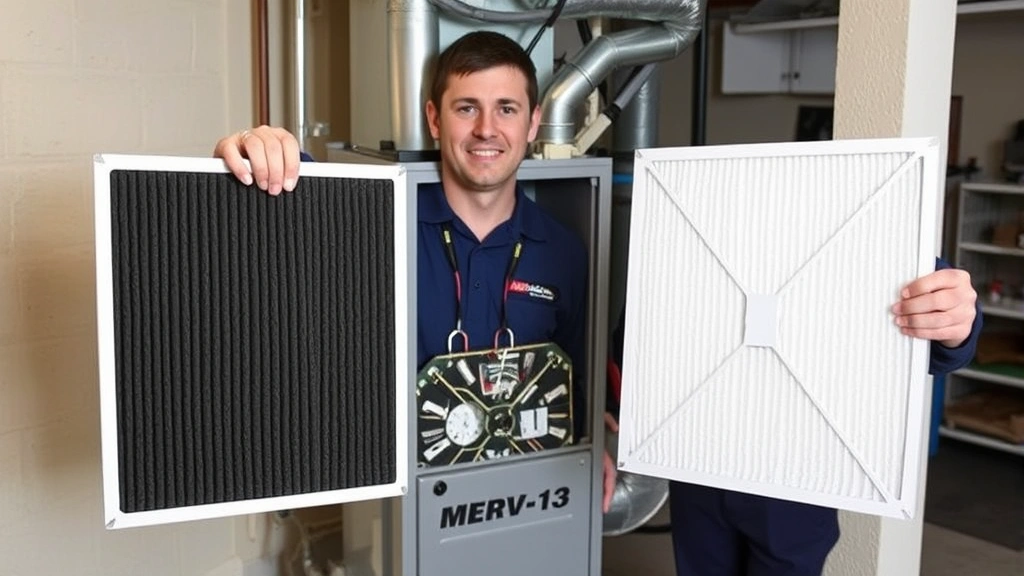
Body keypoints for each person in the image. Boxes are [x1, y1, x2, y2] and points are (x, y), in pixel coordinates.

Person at [213, 31, 618, 512]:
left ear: (533, 124)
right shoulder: (377, 226)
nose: (487, 129)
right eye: (467, 108)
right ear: (434, 119)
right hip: (404, 499)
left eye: (506, 109)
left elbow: (573, 376)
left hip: (523, 496)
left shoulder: (565, 252)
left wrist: (594, 443)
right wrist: (253, 144)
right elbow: (292, 193)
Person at [608, 264, 981, 576]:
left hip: (795, 472)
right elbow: (635, 335)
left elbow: (933, 336)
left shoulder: (865, 203)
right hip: (699, 458)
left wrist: (954, 322)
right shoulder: (694, 202)